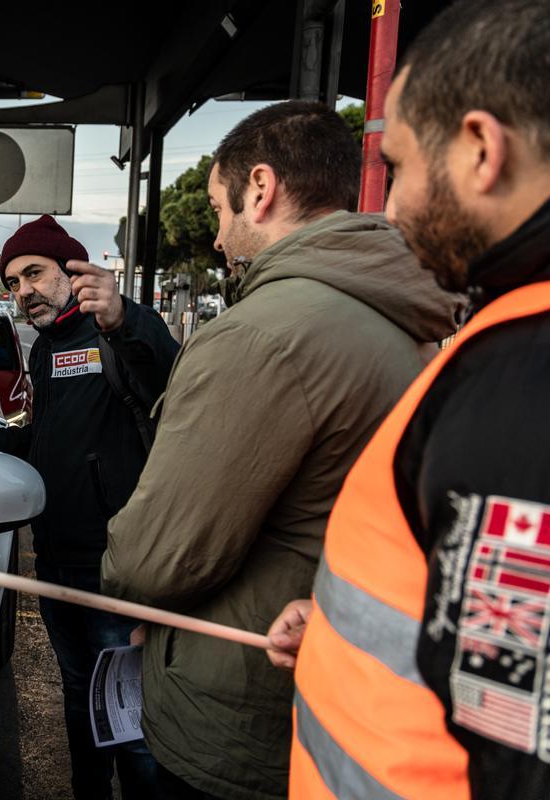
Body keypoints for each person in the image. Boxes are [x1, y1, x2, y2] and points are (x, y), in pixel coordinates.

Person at [99, 101, 459, 800]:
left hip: (237, 718)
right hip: (325, 692)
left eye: (218, 210)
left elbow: (159, 556)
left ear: (260, 190)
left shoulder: (261, 335)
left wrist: (117, 566)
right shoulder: (394, 321)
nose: (215, 240)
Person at [265, 2, 550, 797]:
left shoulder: (523, 384)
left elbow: (518, 745)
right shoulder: (508, 333)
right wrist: (338, 634)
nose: (386, 210)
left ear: (482, 150)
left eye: (398, 168)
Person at [0, 214, 178, 800]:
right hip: (56, 565)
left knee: (130, 723)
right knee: (80, 699)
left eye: (35, 273)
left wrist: (127, 318)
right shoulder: (45, 351)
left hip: (114, 571)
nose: (24, 291)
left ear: (73, 271)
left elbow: (170, 380)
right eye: (13, 282)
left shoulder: (115, 335)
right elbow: (51, 440)